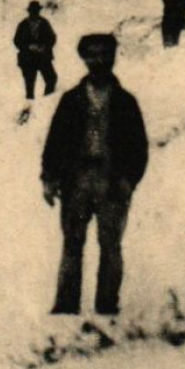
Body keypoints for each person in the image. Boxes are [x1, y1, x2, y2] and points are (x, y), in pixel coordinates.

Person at [41, 34, 150, 315]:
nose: (98, 60)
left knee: (110, 244)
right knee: (72, 243)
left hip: (111, 182)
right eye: (92, 55)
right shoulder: (71, 101)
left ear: (113, 57)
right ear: (84, 59)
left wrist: (129, 180)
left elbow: (139, 147)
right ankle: (66, 306)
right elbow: (55, 142)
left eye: (104, 54)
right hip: (76, 180)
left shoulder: (126, 102)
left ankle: (107, 304)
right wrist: (50, 179)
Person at [13, 0, 58, 101]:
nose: (35, 13)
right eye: (33, 11)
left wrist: (45, 47)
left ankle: (47, 102)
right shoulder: (23, 25)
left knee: (51, 78)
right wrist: (29, 47)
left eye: (36, 11)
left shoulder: (44, 23)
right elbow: (16, 40)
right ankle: (30, 108)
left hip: (43, 58)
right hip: (28, 59)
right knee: (29, 86)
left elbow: (52, 38)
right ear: (29, 12)